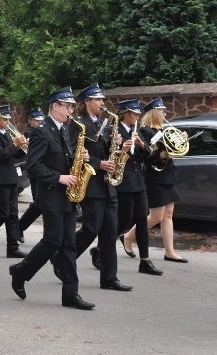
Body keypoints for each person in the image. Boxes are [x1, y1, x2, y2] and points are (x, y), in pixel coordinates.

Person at [9, 87, 94, 310]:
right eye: (67, 106)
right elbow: (33, 166)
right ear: (54, 105)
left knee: (68, 246)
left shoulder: (64, 130)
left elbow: (62, 159)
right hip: (50, 195)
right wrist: (59, 178)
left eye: (72, 107)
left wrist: (80, 156)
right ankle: (21, 271)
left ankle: (70, 295)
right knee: (53, 241)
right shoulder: (41, 131)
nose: (71, 110)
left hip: (66, 196)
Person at [68, 83, 132, 292]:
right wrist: (99, 163)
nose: (103, 103)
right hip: (92, 185)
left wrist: (118, 144)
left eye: (103, 100)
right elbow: (74, 153)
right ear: (87, 102)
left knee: (109, 232)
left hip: (108, 186)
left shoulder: (107, 123)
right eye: (98, 100)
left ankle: (109, 278)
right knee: (90, 229)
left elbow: (107, 151)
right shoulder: (78, 124)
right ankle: (64, 257)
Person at [123, 97, 187, 263]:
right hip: (155, 176)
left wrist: (182, 141)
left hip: (168, 174)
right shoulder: (145, 130)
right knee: (157, 216)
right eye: (162, 111)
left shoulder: (164, 129)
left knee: (168, 214)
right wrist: (162, 154)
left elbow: (172, 150)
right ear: (154, 113)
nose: (165, 114)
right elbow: (149, 156)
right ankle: (129, 236)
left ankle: (170, 252)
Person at [114, 99, 162, 276]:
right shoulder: (116, 130)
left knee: (142, 220)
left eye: (137, 114)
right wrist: (122, 148)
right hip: (124, 182)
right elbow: (110, 154)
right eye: (134, 114)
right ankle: (102, 247)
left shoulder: (136, 131)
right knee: (125, 221)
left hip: (139, 182)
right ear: (125, 114)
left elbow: (150, 155)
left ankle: (145, 261)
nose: (136, 117)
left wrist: (141, 144)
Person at [0, 104, 26, 258]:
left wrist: (21, 146)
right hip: (0, 178)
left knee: (13, 214)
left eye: (9, 119)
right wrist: (14, 145)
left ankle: (12, 248)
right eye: (5, 119)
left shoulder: (8, 134)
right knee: (3, 213)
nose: (8, 121)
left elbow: (16, 156)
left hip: (11, 177)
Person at [18, 107, 45, 243]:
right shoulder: (29, 133)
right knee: (38, 204)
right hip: (35, 174)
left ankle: (19, 228)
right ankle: (19, 227)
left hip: (46, 171)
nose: (39, 122)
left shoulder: (44, 131)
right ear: (30, 121)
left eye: (40, 119)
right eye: (36, 120)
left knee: (41, 204)